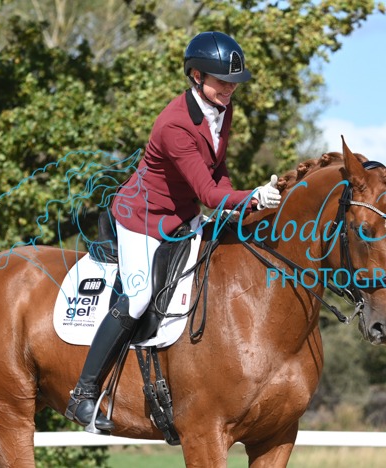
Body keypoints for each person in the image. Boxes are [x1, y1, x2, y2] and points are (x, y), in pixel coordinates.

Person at [65, 31, 281, 432]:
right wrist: (251, 197)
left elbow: (217, 170)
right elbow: (208, 193)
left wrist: (237, 200)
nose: (230, 89)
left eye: (234, 82)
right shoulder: (174, 125)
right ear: (197, 76)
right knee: (138, 296)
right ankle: (84, 393)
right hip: (142, 219)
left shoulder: (221, 108)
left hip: (183, 216)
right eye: (222, 81)